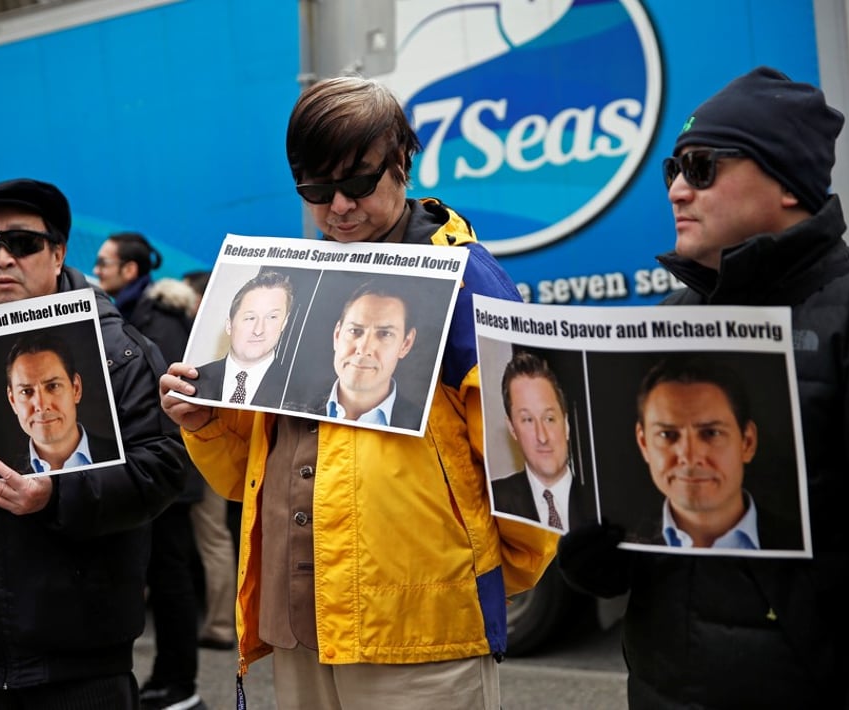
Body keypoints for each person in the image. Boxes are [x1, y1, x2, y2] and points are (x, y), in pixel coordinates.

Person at [160, 76, 558, 710]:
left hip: (420, 636)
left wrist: (482, 577)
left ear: (403, 159)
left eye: (358, 182)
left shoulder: (464, 276)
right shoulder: (293, 282)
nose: (338, 206)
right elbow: (248, 478)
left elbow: (529, 452)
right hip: (300, 624)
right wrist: (205, 420)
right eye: (315, 190)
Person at [557, 66, 849, 707]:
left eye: (700, 166)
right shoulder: (665, 320)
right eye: (672, 171)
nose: (677, 191)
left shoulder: (843, 314)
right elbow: (636, 553)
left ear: (788, 186)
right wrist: (593, 550)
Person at [0, 177, 185, 710]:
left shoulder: (118, 350)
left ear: (58, 253)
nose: (1, 259)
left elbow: (162, 468)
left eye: (21, 243)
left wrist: (57, 497)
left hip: (84, 660)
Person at [95, 231, 210, 710]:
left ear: (131, 270)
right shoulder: (131, 312)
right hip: (156, 467)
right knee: (166, 575)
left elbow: (165, 403)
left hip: (168, 470)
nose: (97, 270)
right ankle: (170, 677)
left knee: (171, 576)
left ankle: (178, 682)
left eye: (105, 263)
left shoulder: (155, 319)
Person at [628, 355, 801, 550]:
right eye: (667, 434)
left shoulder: (805, 545)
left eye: (711, 433)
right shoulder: (618, 551)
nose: (690, 458)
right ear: (643, 444)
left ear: (747, 442)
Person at [182, 270, 240, 651]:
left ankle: (222, 622)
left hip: (209, 452)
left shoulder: (212, 336)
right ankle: (223, 621)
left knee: (214, 536)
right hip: (205, 450)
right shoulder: (205, 332)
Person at [491, 350, 594, 531]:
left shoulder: (601, 500)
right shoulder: (493, 501)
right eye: (528, 420)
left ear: (566, 424)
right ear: (512, 429)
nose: (542, 437)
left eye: (549, 419)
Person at [4, 331, 119, 473]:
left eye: (53, 386)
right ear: (13, 400)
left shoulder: (124, 455)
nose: (41, 405)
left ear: (76, 389)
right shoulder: (0, 477)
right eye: (26, 391)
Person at [322, 280, 421, 429]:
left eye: (385, 334)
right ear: (337, 335)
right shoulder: (287, 408)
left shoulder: (422, 424)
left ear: (406, 344)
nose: (364, 348)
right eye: (355, 331)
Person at [188, 270, 292, 407]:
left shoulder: (301, 393)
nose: (258, 330)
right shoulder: (192, 381)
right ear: (229, 325)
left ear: (284, 322)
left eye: (272, 317)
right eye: (250, 318)